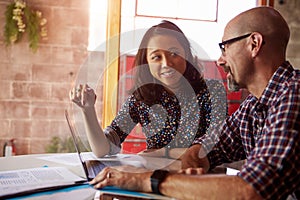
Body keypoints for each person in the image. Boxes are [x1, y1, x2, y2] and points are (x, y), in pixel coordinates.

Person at [89, 6, 300, 200]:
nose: (220, 60)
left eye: (225, 48)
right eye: (156, 57)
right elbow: (202, 152)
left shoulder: (294, 93)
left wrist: (145, 180)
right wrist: (130, 180)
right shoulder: (252, 107)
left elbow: (252, 189)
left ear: (254, 44)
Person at [70, 20, 226, 158]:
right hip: (155, 179)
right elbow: (103, 150)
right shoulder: (141, 98)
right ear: (146, 62)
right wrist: (88, 110)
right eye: (156, 57)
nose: (167, 63)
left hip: (201, 179)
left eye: (174, 53)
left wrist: (164, 152)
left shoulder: (212, 90)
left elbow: (217, 149)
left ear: (187, 54)